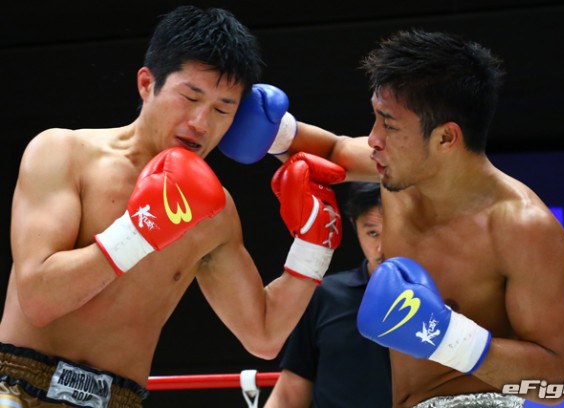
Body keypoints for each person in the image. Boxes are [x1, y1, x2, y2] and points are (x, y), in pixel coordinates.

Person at [0, 6, 346, 408]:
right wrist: (139, 231)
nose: (200, 122)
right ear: (147, 84)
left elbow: (264, 335)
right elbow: (39, 300)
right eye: (190, 97)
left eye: (222, 109)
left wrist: (314, 248)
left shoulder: (215, 213)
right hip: (17, 388)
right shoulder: (64, 153)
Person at [272, 29, 564, 407]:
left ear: (446, 138)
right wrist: (266, 129)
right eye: (375, 118)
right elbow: (334, 151)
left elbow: (557, 379)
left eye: (389, 124)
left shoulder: (521, 227)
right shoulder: (399, 172)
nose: (373, 139)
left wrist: (448, 337)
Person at [264, 182, 392, 408]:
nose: (382, 247)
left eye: (392, 232)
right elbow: (288, 394)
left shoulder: (443, 293)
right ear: (354, 227)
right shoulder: (325, 296)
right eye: (372, 233)